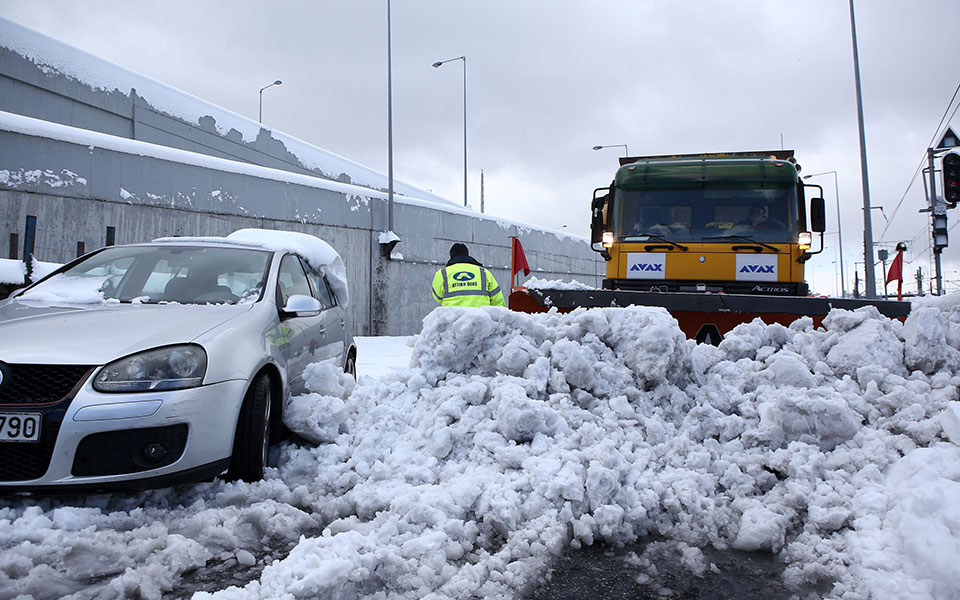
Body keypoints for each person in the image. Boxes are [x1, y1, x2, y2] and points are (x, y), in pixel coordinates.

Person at [432, 243, 506, 307]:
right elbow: (497, 300)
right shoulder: (484, 272)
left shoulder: (442, 274)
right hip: (480, 319)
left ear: (451, 257)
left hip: (452, 319)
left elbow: (438, 297)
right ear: (467, 254)